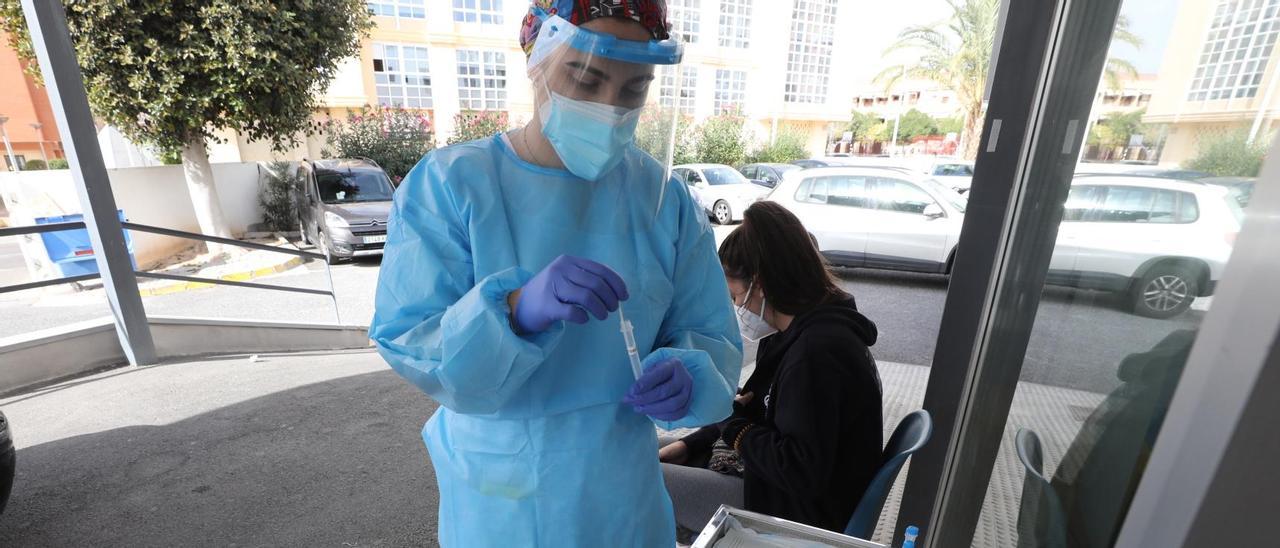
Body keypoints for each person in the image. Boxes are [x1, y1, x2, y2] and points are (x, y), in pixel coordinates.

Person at [368, 1, 743, 546]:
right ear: (536, 58)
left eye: (633, 88)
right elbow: (409, 339)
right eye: (585, 78)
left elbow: (712, 332)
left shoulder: (664, 200)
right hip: (501, 506)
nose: (610, 106)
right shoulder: (453, 185)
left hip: (624, 502)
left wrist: (692, 372)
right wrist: (514, 311)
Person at [660, 201, 883, 535]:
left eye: (736, 295)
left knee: (631, 477)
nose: (736, 307)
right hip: (776, 487)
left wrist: (729, 424)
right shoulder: (792, 334)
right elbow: (748, 409)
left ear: (760, 284)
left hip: (797, 511)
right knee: (637, 449)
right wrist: (691, 445)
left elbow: (798, 469)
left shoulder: (817, 354)